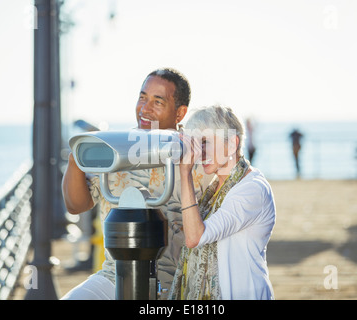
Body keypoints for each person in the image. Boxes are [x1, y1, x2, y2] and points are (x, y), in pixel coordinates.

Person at [61, 68, 213, 299]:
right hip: (115, 277)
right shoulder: (117, 149)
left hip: (180, 285)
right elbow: (76, 206)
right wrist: (75, 159)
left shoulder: (199, 159)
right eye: (142, 98)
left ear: (180, 113)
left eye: (157, 101)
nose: (145, 108)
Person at [168, 105, 276, 300]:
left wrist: (185, 173)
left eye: (205, 142)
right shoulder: (214, 188)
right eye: (195, 144)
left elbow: (195, 237)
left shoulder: (252, 189)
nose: (199, 152)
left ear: (232, 144)